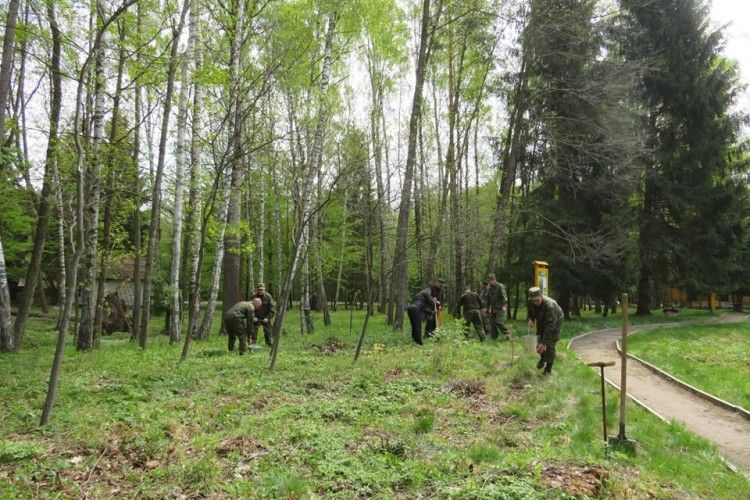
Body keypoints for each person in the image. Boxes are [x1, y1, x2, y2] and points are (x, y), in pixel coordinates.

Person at [527, 286, 564, 375]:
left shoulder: (549, 306)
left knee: (550, 344)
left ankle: (548, 369)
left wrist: (544, 343)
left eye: (537, 300)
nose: (535, 302)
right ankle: (543, 358)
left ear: (541, 296)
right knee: (539, 339)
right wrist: (530, 319)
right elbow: (530, 311)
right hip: (542, 319)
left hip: (555, 323)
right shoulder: (531, 301)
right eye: (533, 300)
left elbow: (550, 327)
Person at [483, 274, 510, 340]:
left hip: (500, 308)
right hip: (493, 309)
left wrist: (504, 306)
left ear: (494, 280)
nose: (489, 283)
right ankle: (494, 338)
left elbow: (504, 297)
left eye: (490, 281)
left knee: (498, 321)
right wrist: (487, 290)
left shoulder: (500, 286)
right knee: (492, 323)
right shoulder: (489, 288)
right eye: (488, 281)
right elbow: (487, 299)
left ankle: (508, 334)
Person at [252, 283, 276, 347]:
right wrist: (253, 317)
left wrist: (268, 318)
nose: (260, 291)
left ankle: (269, 344)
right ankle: (252, 344)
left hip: (266, 318)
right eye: (259, 289)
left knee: (268, 332)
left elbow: (272, 309)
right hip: (256, 318)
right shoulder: (253, 296)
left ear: (264, 289)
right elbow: (250, 308)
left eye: (262, 289)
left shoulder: (268, 297)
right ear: (257, 289)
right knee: (253, 331)